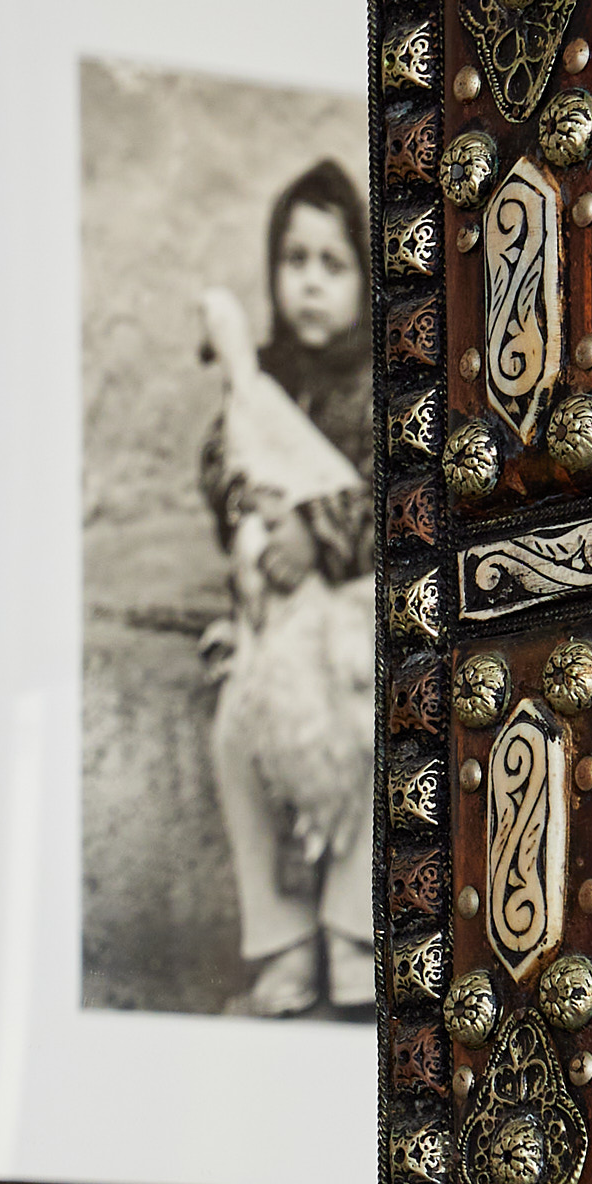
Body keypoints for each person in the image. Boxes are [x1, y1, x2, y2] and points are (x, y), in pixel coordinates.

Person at [195, 159, 378, 1020]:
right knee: (237, 729)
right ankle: (282, 941)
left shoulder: (385, 385)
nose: (308, 282)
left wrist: (320, 532)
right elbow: (221, 460)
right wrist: (249, 514)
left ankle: (354, 931)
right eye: (293, 260)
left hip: (356, 615)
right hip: (277, 624)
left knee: (373, 722)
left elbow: (404, 500)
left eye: (332, 264)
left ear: (365, 279)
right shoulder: (262, 375)